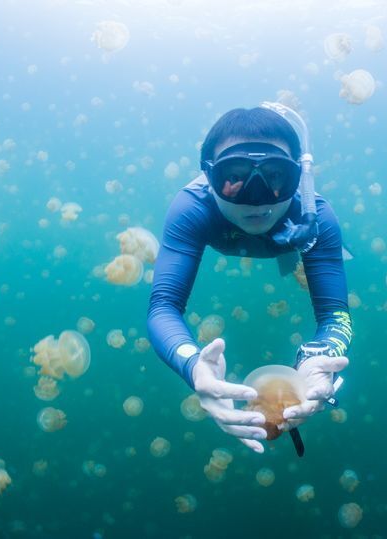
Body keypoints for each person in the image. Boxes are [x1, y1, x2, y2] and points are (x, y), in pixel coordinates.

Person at [147, 105, 352, 454]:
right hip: (272, 231)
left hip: (293, 235)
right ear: (208, 176)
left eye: (276, 176)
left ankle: (291, 254)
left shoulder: (314, 216)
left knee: (293, 255)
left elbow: (334, 315)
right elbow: (163, 308)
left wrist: (322, 353)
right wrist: (194, 366)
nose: (256, 197)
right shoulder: (192, 209)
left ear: (299, 177)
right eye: (234, 175)